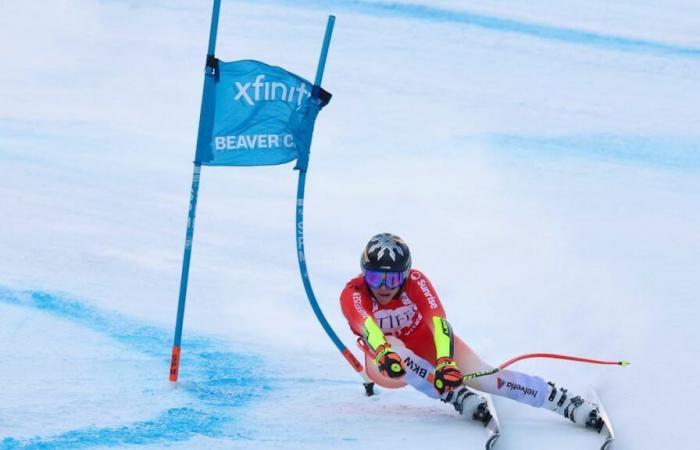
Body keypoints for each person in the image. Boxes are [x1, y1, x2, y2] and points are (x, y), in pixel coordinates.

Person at [339, 232, 604, 429]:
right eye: (375, 277)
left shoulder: (416, 282)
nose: (383, 287)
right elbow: (368, 327)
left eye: (393, 278)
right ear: (364, 274)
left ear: (405, 275)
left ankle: (561, 400)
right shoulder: (353, 293)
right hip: (386, 365)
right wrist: (384, 352)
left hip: (429, 346)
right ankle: (455, 395)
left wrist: (444, 361)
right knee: (396, 349)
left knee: (488, 378)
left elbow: (439, 322)